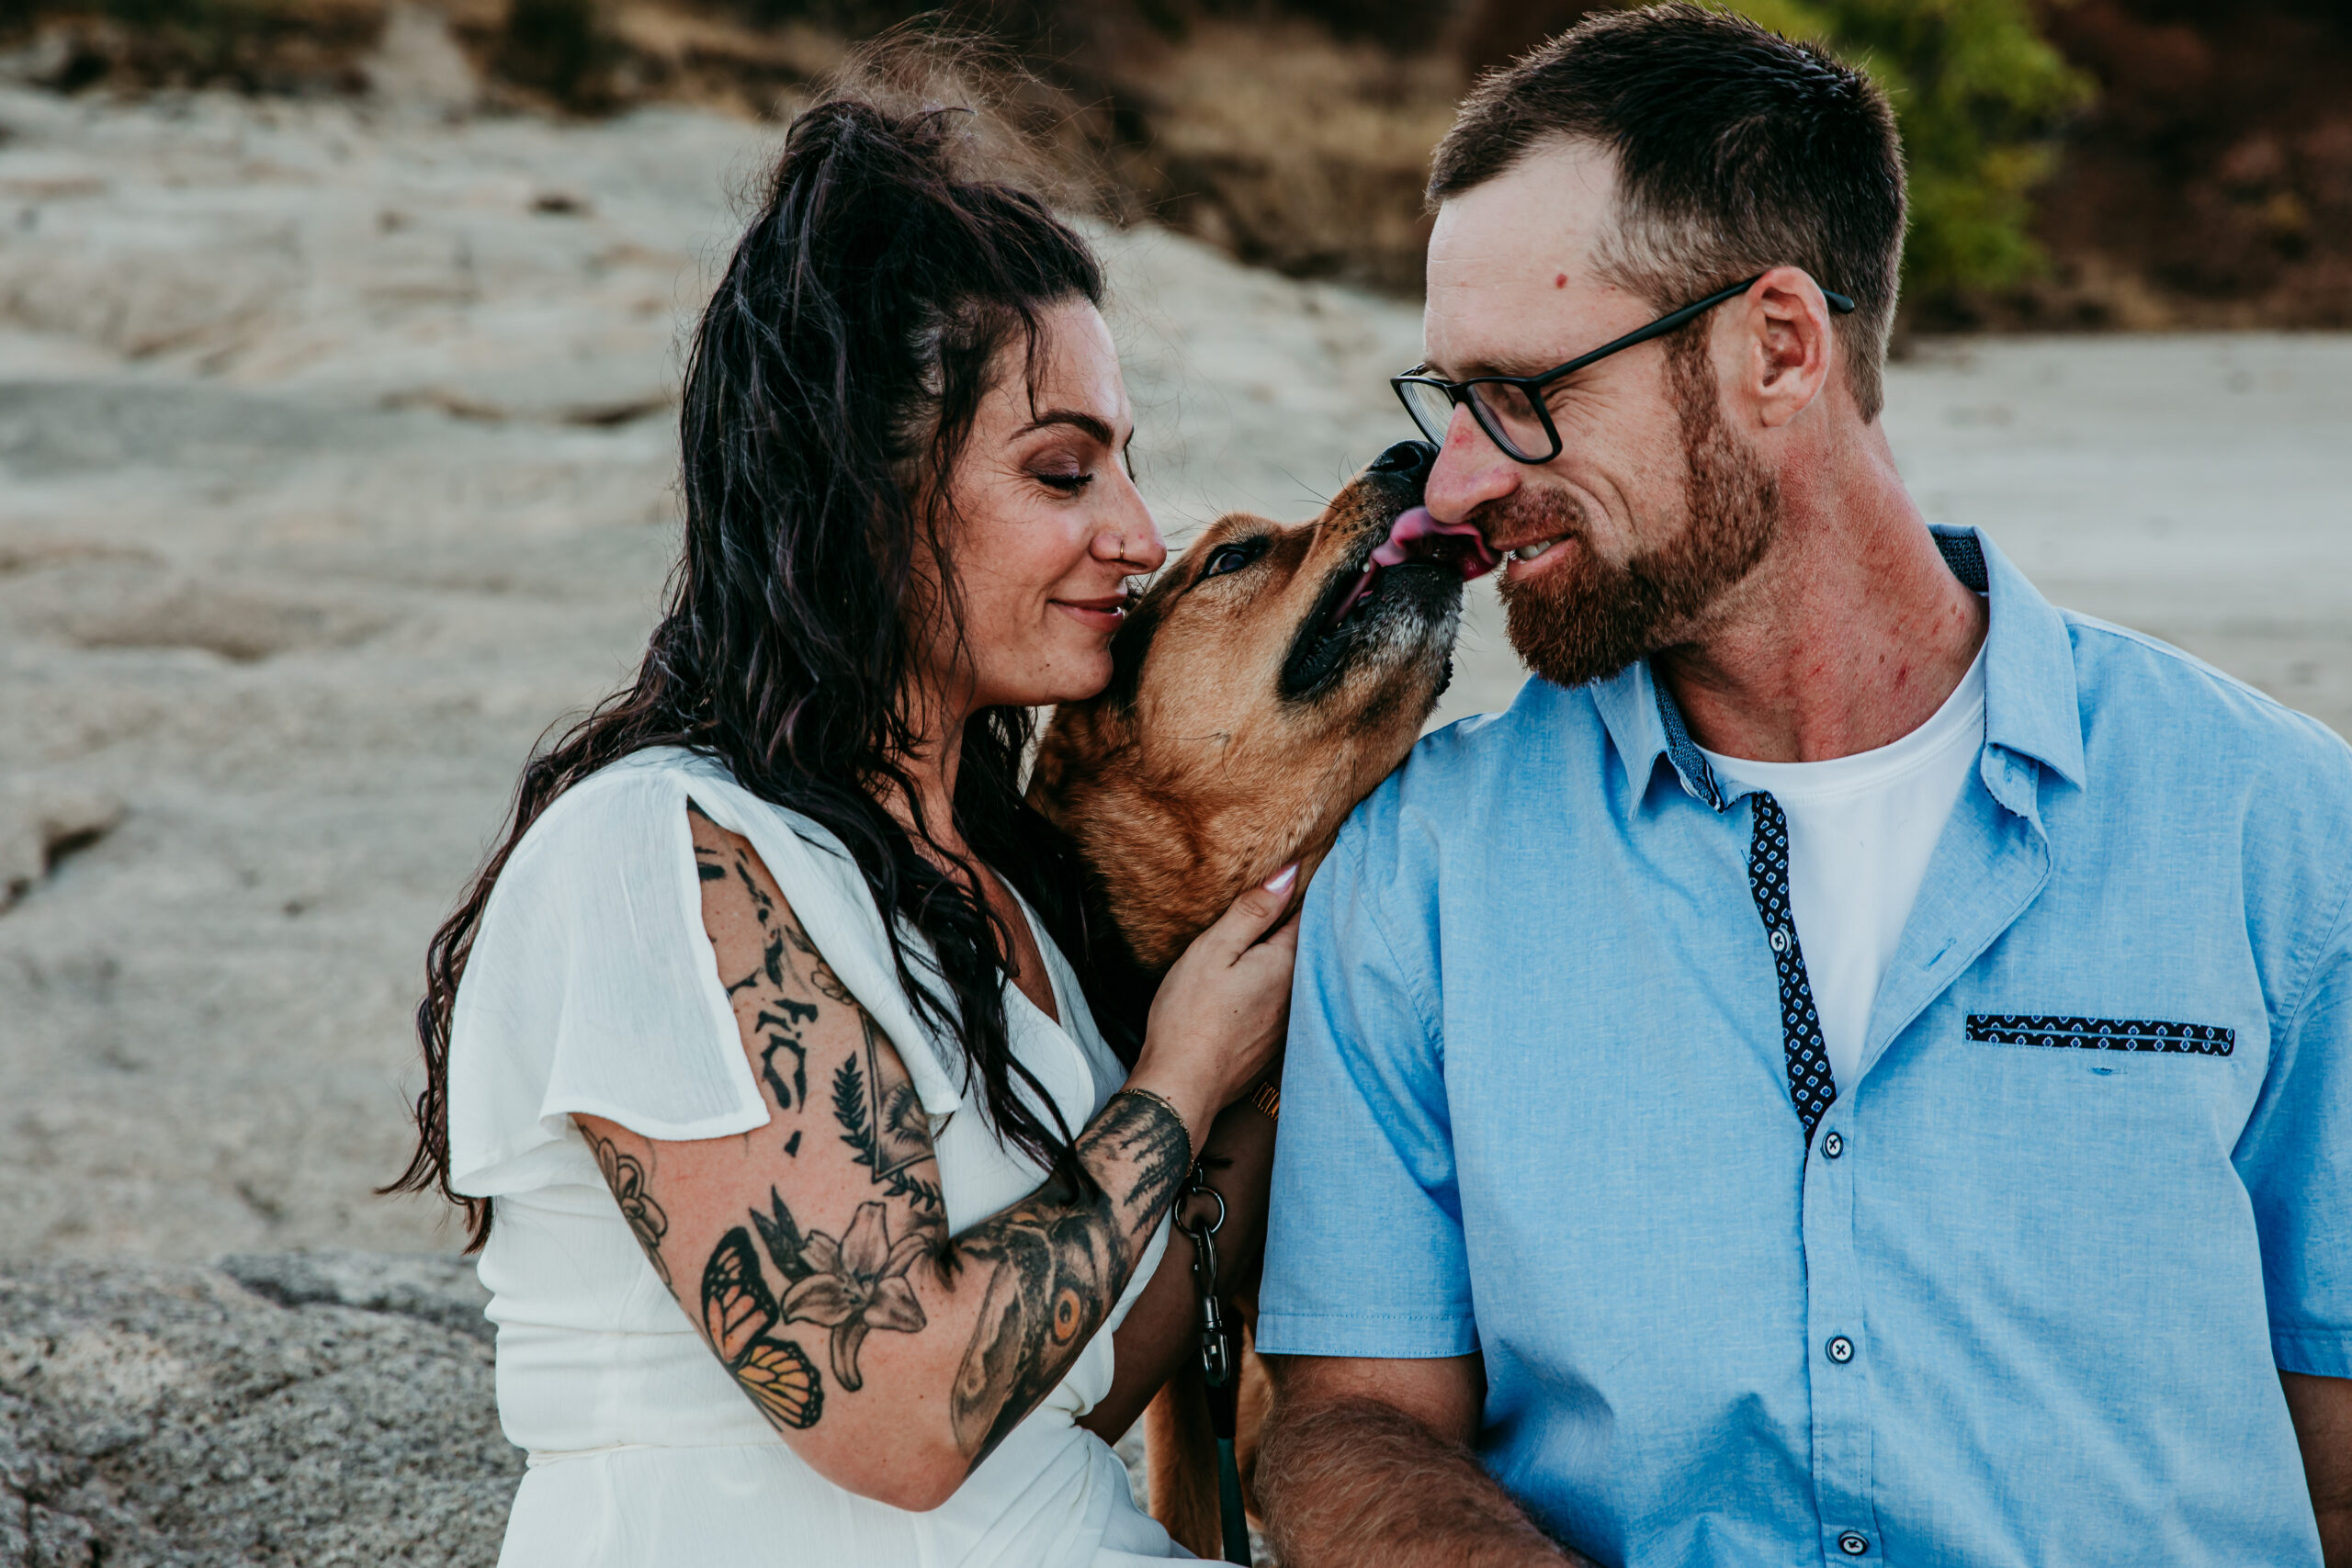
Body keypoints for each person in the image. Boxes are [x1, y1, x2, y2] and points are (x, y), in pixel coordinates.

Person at [1250, 6, 2352, 1566]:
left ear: (1779, 345)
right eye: (1451, 400)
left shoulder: (2281, 836)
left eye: (1522, 393)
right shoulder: (1422, 871)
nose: (1457, 483)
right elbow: (1349, 1427)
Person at [384, 64, 1295, 1567]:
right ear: (862, 490)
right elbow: (901, 1416)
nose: (1135, 535)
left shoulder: (996, 899)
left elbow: (1070, 1382)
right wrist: (1185, 1075)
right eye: (1064, 469)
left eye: (1127, 463)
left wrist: (1289, 1044)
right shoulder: (659, 856)